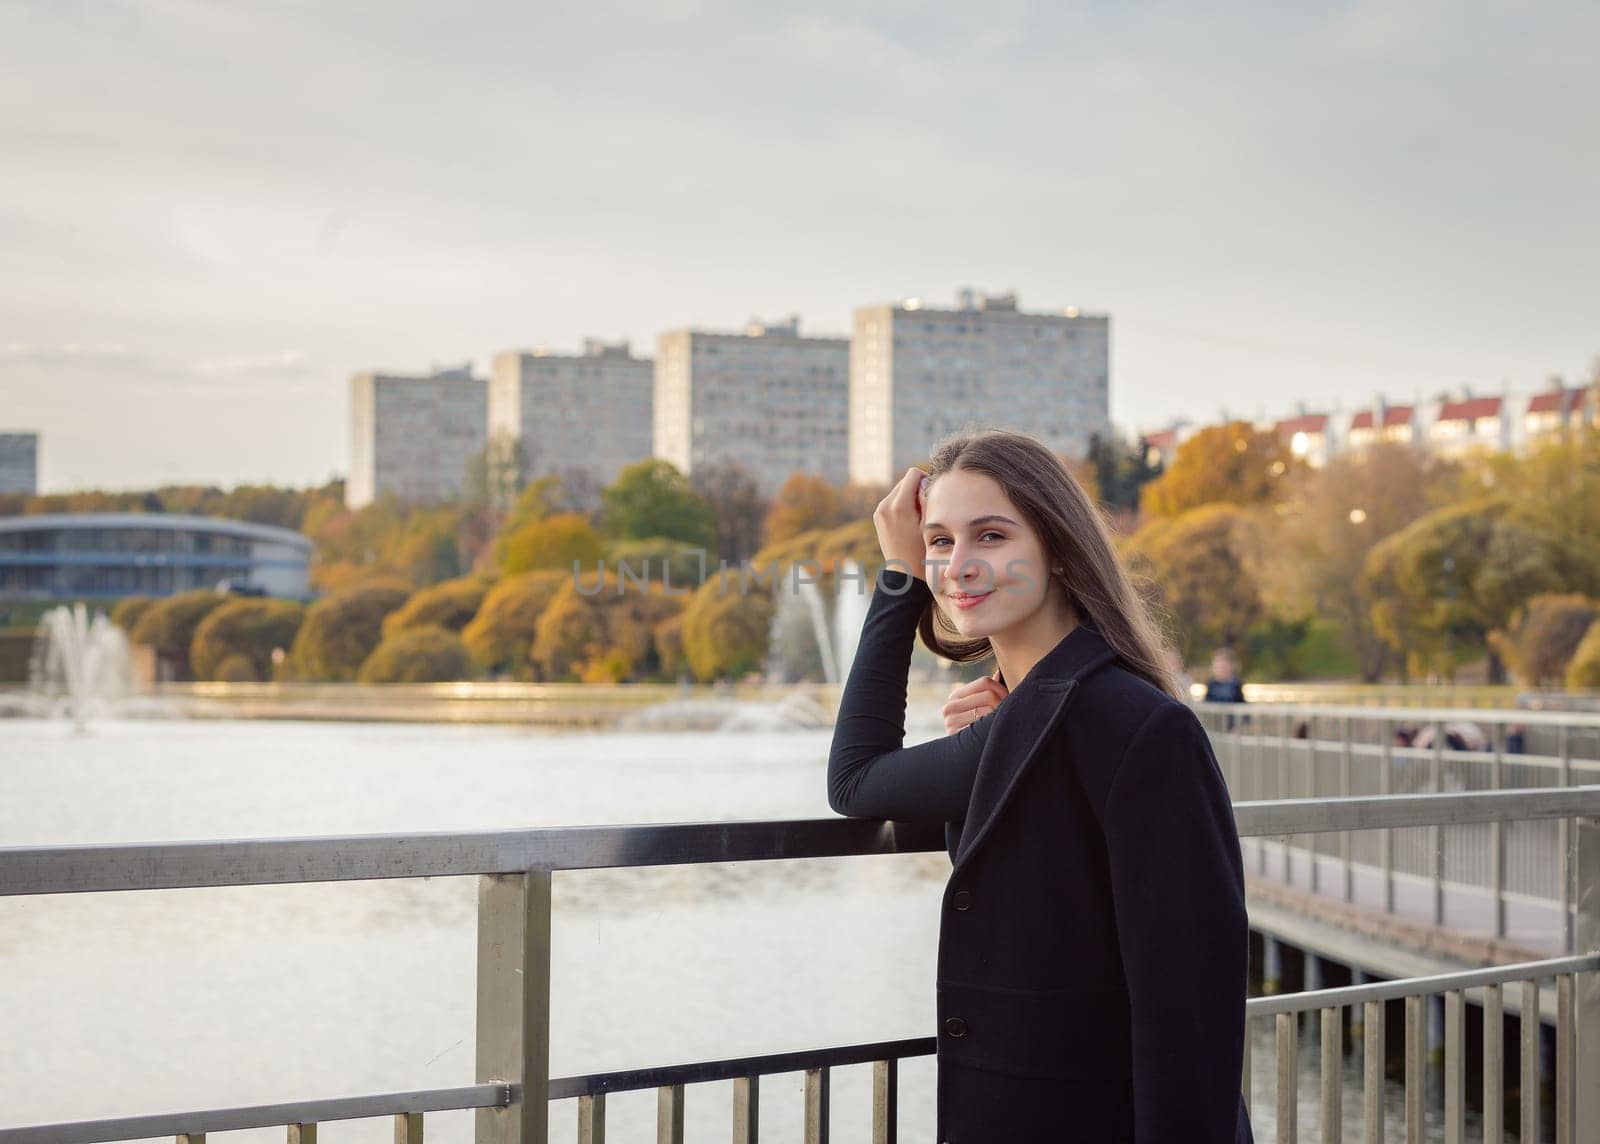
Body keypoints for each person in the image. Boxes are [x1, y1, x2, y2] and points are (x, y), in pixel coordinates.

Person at [827, 429, 1252, 1143]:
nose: (957, 566)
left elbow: (1190, 1016)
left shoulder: (1140, 726)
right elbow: (858, 782)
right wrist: (908, 568)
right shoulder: (1010, 722)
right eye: (937, 541)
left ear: (1055, 548)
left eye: (989, 536)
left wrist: (898, 580)